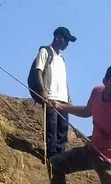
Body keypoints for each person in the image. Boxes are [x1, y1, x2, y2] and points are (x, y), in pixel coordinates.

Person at [31, 26, 75, 158]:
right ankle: (51, 155)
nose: (67, 43)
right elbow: (38, 71)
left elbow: (63, 80)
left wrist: (68, 96)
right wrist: (42, 90)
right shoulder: (45, 51)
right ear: (57, 37)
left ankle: (60, 156)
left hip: (63, 99)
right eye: (66, 40)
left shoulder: (62, 58)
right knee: (52, 127)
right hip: (50, 96)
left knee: (63, 129)